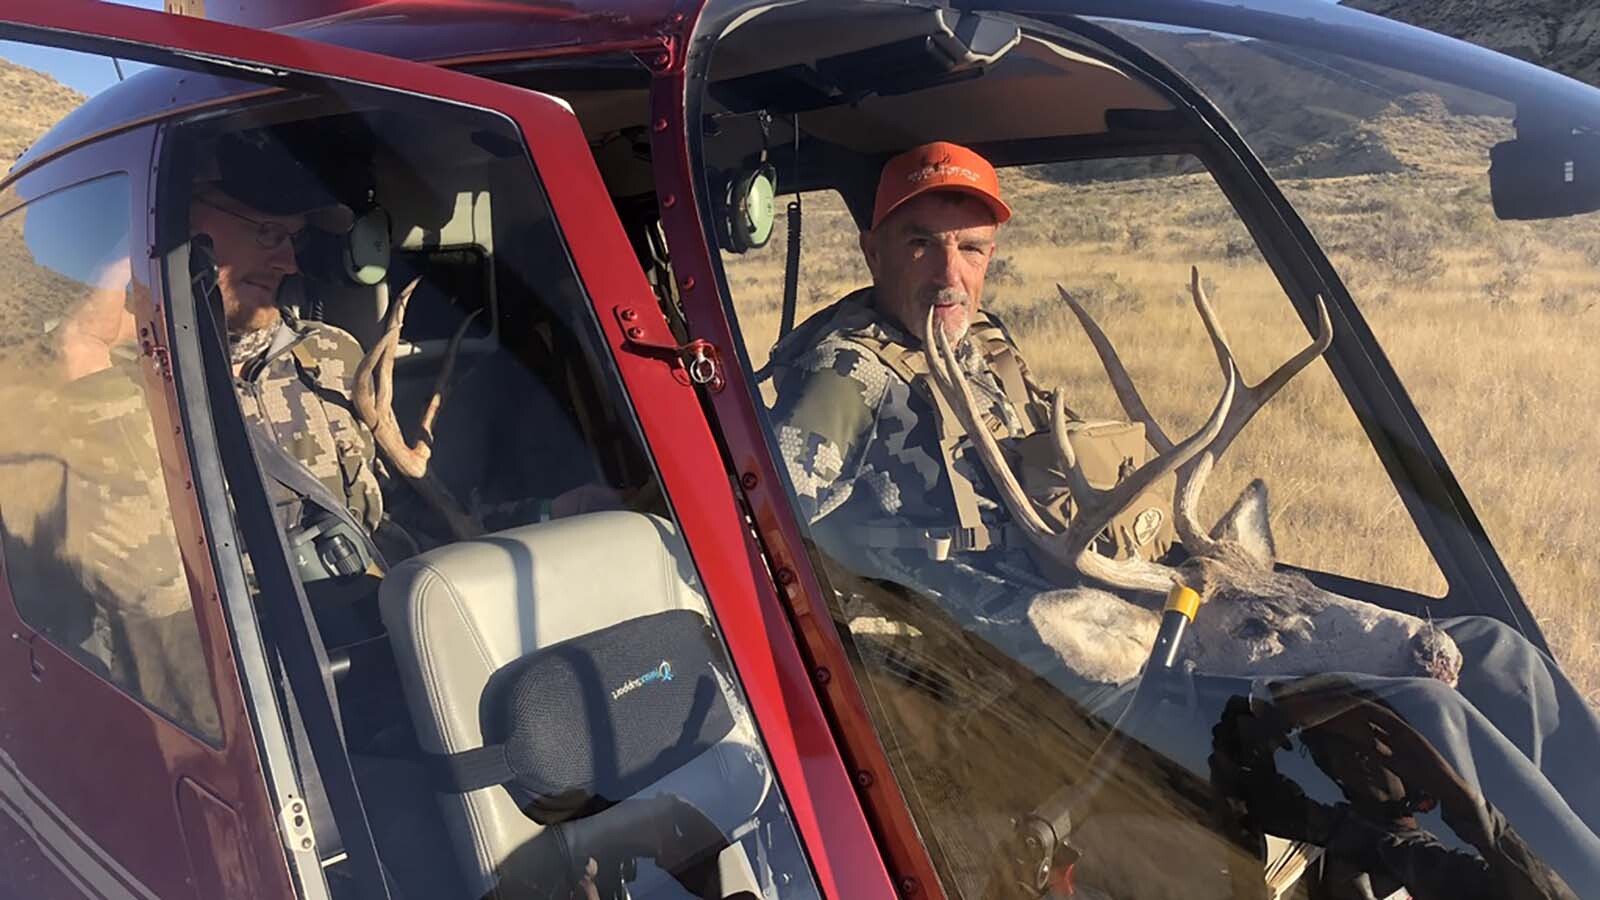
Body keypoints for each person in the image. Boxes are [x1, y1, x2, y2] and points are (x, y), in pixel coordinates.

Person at [767, 140, 1600, 892]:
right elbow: (760, 531)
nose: (949, 272)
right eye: (920, 243)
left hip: (1118, 601)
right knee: (1419, 711)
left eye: (971, 247)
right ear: (873, 250)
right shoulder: (844, 375)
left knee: (1496, 654)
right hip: (1023, 655)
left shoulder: (980, 336)